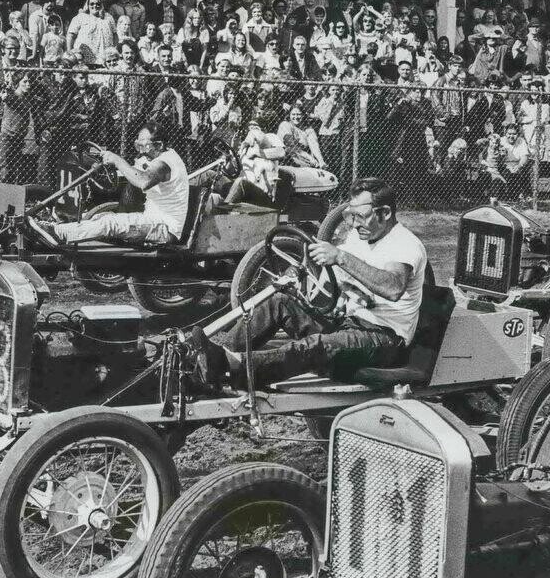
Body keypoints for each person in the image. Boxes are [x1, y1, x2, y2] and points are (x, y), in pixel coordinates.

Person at [188, 177, 427, 390]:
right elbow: (333, 272)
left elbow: (393, 287)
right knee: (280, 302)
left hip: (384, 338)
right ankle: (213, 355)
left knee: (313, 347)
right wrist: (310, 272)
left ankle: (229, 367)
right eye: (351, 216)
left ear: (385, 213)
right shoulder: (360, 237)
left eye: (361, 217)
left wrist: (341, 257)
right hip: (348, 323)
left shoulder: (404, 244)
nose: (354, 224)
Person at [30, 122, 189, 246]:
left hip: (165, 228)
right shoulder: (153, 159)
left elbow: (143, 181)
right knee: (100, 217)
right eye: (138, 145)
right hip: (151, 221)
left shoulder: (166, 162)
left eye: (144, 146)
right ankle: (55, 229)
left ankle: (58, 233)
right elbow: (128, 174)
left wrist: (117, 160)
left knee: (110, 223)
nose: (141, 151)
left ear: (159, 145)